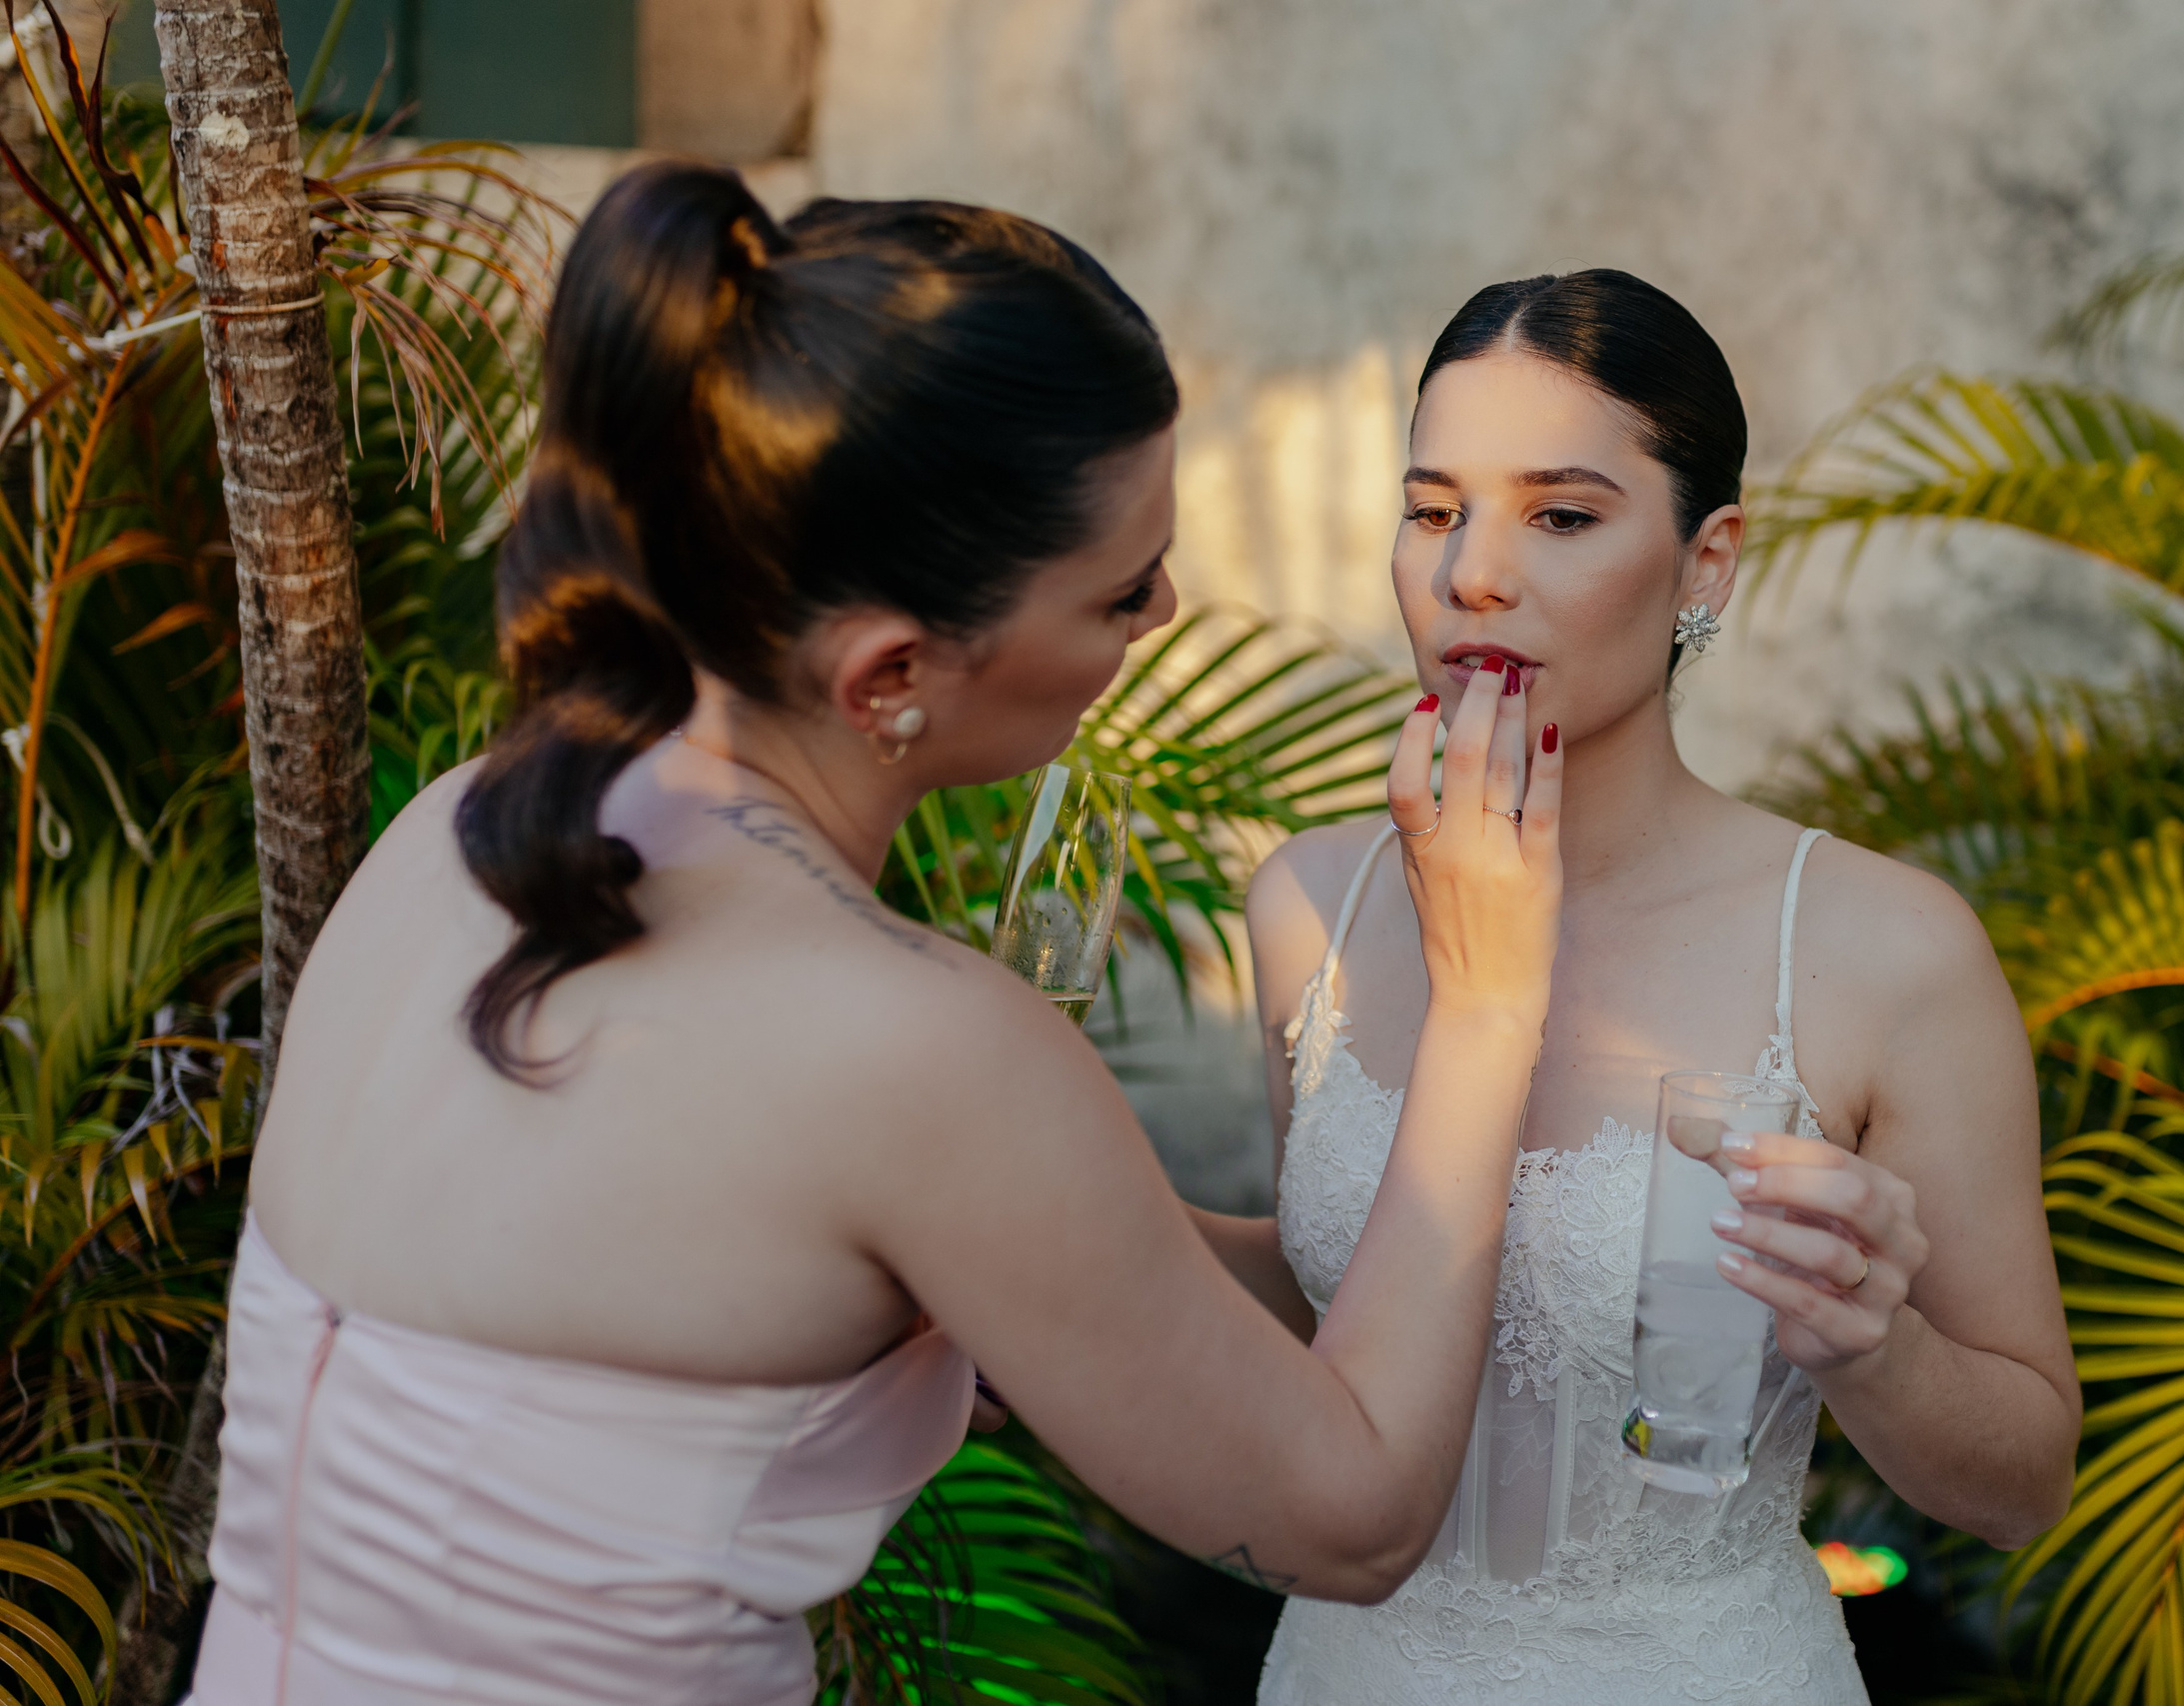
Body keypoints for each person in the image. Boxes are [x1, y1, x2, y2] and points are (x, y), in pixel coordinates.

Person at [183, 163, 1566, 1706]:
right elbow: (1353, 1519)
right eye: (1119, 592)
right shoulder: (919, 1049)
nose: (1167, 609)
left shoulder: (454, 833)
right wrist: (1489, 1003)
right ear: (892, 671)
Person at [1235, 271, 2081, 1704]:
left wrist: (1870, 1339)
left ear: (1707, 562)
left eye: (1560, 516)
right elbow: (1333, 1288)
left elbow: (2019, 1483)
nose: (1471, 577)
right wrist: (1033, 1212)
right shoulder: (1315, 903)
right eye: (1434, 510)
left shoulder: (1882, 951)